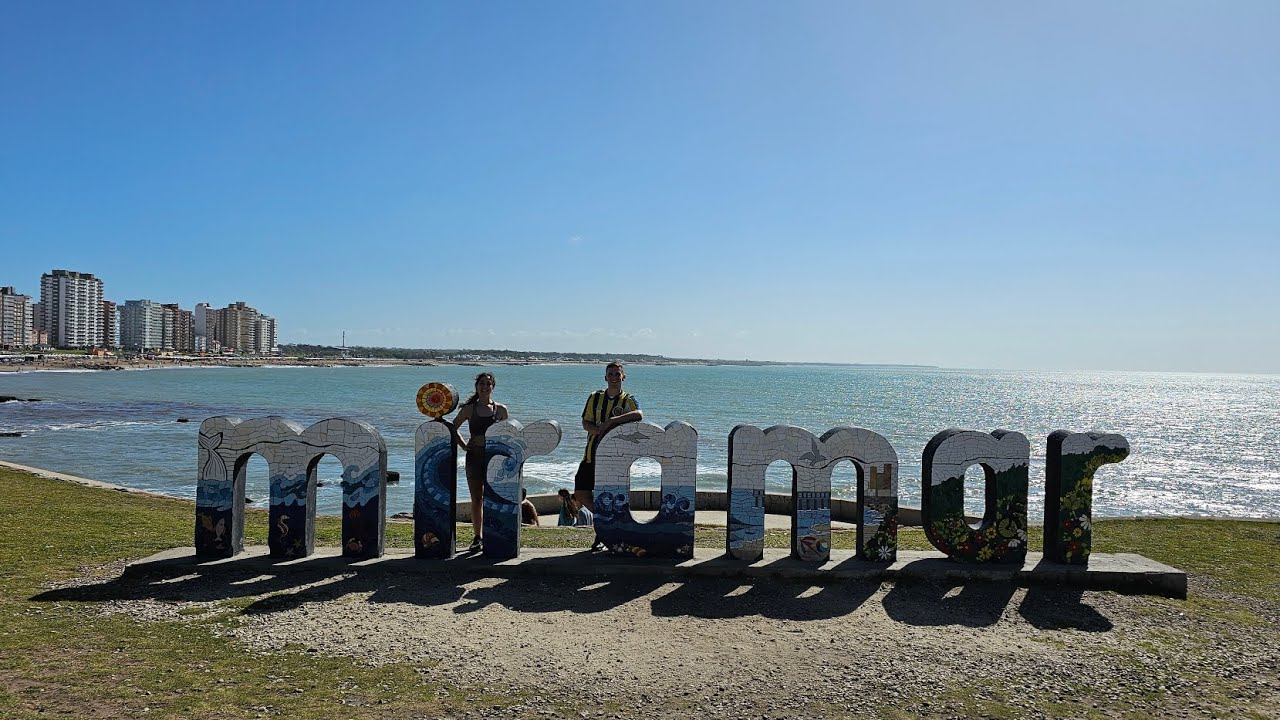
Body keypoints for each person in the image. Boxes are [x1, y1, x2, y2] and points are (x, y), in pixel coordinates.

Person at [450, 372, 509, 552]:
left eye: (488, 384)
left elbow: (508, 433)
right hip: (474, 458)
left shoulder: (501, 410)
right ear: (476, 386)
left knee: (494, 498)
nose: (485, 386)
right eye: (482, 383)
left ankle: (495, 534)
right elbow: (453, 427)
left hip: (494, 459)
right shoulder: (469, 409)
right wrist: (463, 445)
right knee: (477, 498)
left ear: (493, 387)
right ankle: (478, 536)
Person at [574, 361, 642, 512]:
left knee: (611, 494)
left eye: (617, 374)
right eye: (610, 374)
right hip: (591, 456)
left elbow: (638, 414)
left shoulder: (627, 399)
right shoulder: (595, 397)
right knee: (580, 492)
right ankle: (601, 515)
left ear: (623, 377)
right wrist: (599, 431)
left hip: (614, 458)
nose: (614, 377)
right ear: (605, 377)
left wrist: (612, 421)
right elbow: (586, 422)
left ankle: (610, 522)